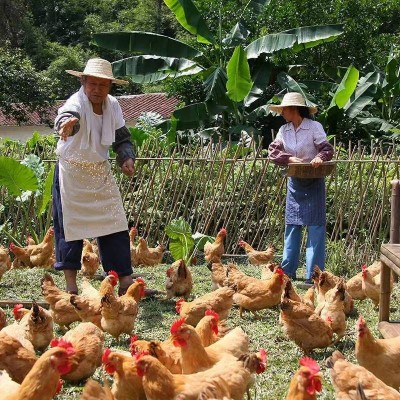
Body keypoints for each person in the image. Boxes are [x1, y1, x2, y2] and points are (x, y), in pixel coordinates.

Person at [52, 57, 139, 296]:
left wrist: (126, 158)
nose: (97, 90)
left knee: (115, 223)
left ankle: (124, 281)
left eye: (103, 85)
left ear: (110, 86)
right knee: (69, 228)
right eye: (93, 84)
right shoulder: (75, 103)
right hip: (71, 173)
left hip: (99, 170)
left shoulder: (113, 105)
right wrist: (66, 125)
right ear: (84, 81)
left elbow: (122, 137)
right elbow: (68, 117)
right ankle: (70, 287)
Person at [268, 92, 334, 287]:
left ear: (294, 109)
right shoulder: (284, 130)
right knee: (292, 227)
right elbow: (273, 151)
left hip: (314, 182)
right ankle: (287, 272)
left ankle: (313, 276)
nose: (281, 113)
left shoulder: (314, 127)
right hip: (295, 182)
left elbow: (327, 149)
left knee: (315, 228)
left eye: (284, 110)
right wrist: (288, 159)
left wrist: (319, 158)